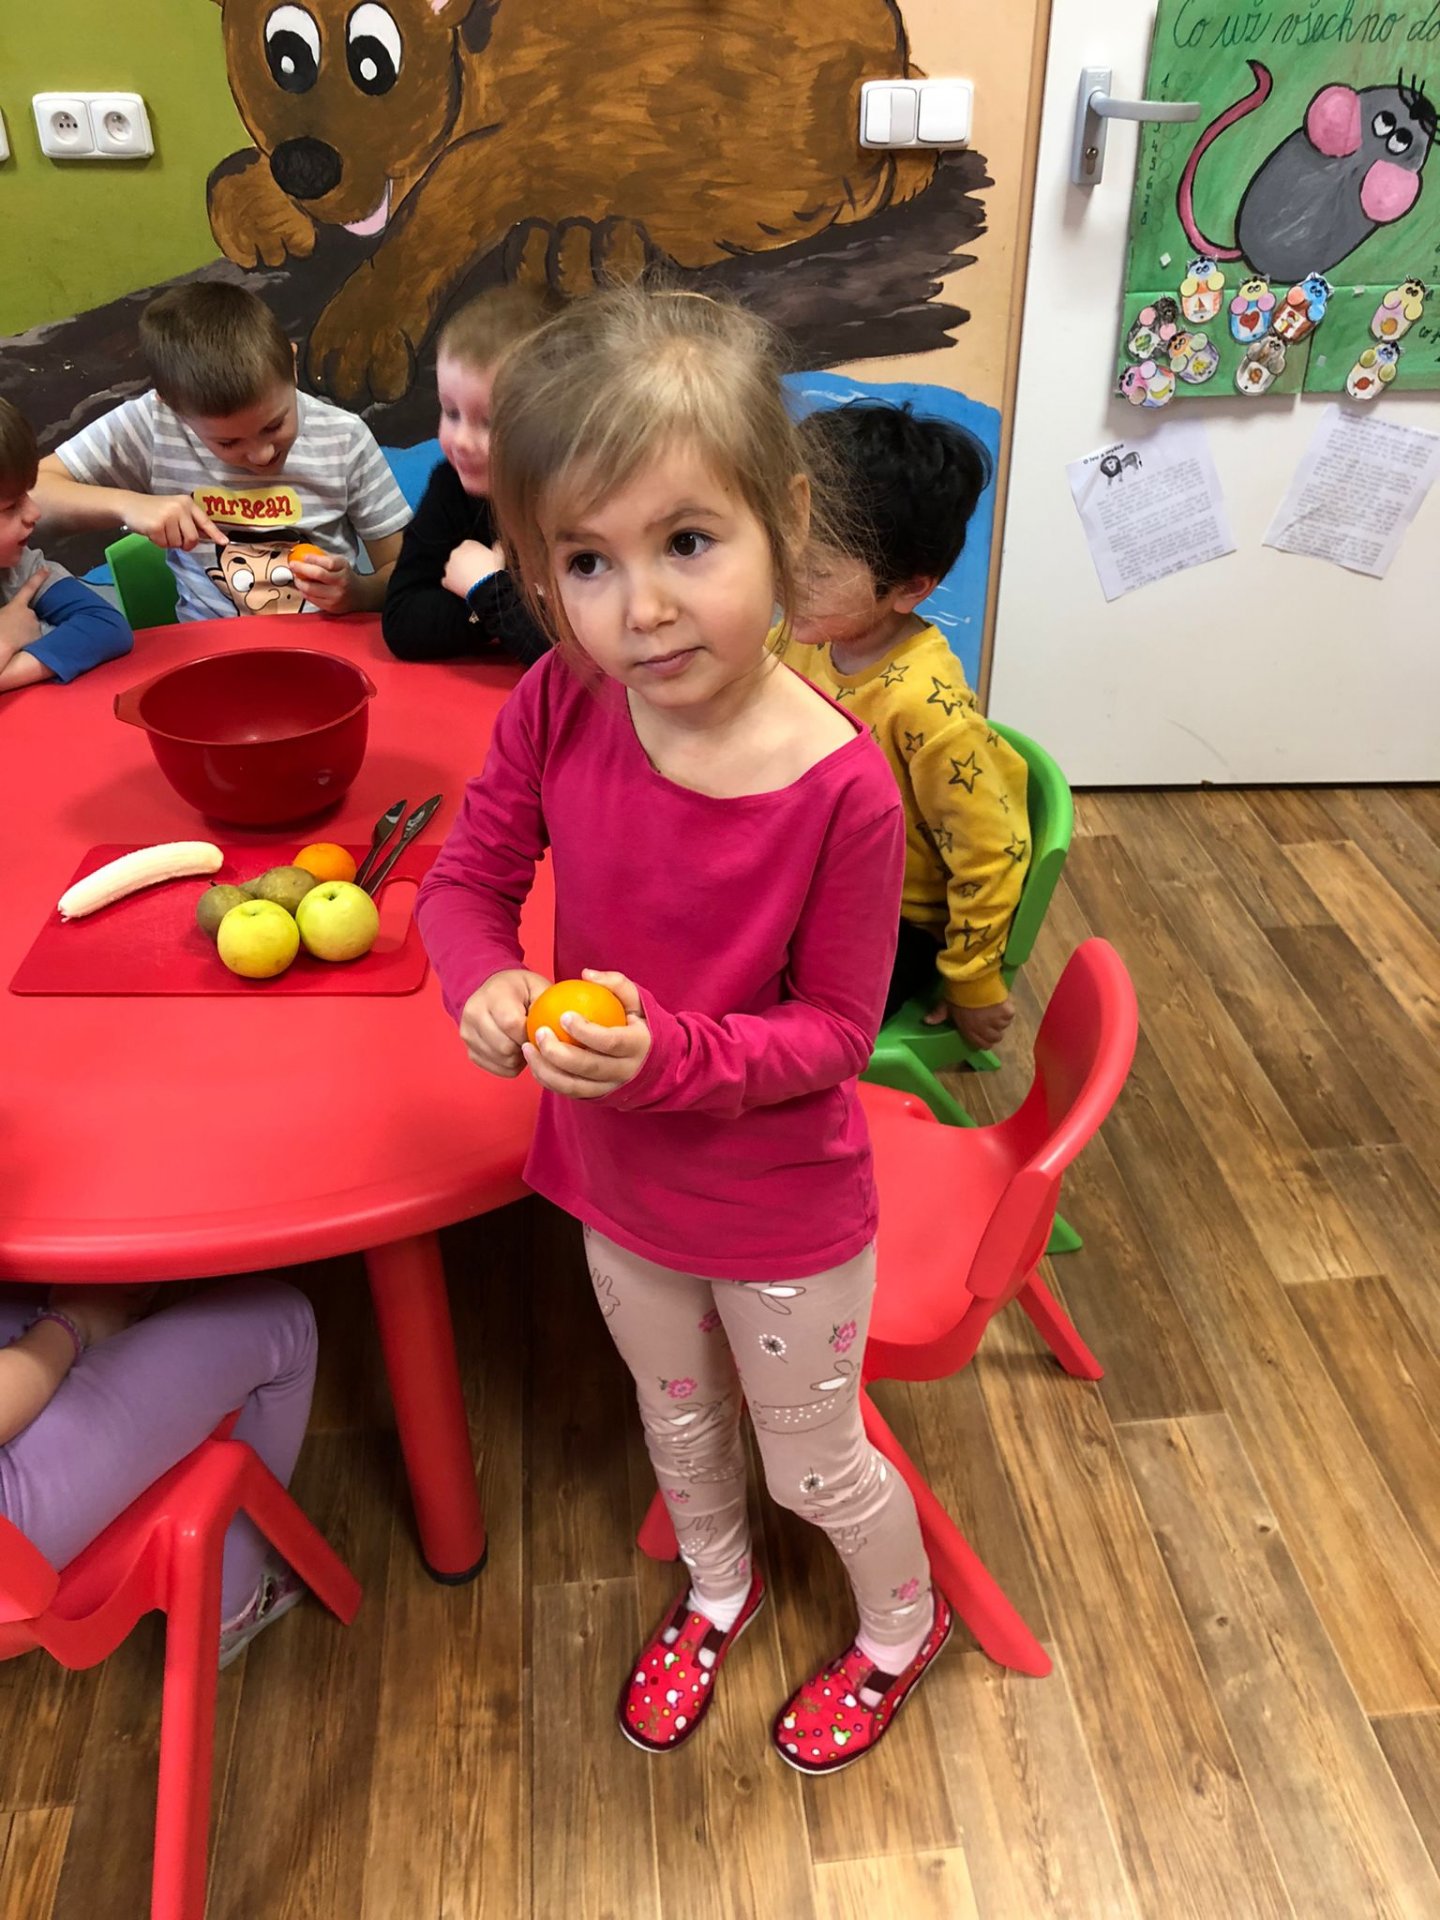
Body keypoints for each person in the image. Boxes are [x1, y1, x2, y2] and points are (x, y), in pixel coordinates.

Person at [416, 287, 949, 1777]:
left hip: (781, 1214)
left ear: (785, 523)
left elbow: (834, 1034)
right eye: (588, 561)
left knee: (814, 1461)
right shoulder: (560, 701)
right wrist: (481, 983)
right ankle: (718, 1592)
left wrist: (670, 1061)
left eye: (688, 543)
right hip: (616, 1187)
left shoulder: (843, 788)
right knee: (679, 1428)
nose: (639, 608)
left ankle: (901, 1629)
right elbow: (463, 885)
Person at [787, 401, 1030, 1052]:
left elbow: (992, 851)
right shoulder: (804, 633)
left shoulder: (926, 708)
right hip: (801, 877)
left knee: (775, 1030)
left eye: (815, 572)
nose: (784, 580)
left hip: (888, 922)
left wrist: (973, 982)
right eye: (780, 549)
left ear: (910, 588)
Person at [32, 283, 411, 623]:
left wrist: (357, 593)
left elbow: (405, 570)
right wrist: (127, 504)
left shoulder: (344, 437)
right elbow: (30, 494)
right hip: (214, 650)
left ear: (292, 366)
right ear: (170, 406)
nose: (261, 455)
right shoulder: (152, 426)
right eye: (228, 443)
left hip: (326, 645)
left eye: (274, 425)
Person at [0, 1279, 319, 1667]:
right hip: (14, 1538)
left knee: (51, 1282)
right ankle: (234, 1602)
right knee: (284, 1320)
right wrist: (70, 1323)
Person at [382, 284, 554, 666]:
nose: (460, 440)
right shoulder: (450, 488)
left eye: (489, 422)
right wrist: (499, 604)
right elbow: (402, 623)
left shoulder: (578, 503)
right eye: (451, 412)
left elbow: (572, 657)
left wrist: (488, 587)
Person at [0, 398, 132, 694]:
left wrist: (9, 668)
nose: (34, 512)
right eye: (10, 507)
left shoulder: (20, 569)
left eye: (27, 494)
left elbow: (107, 626)